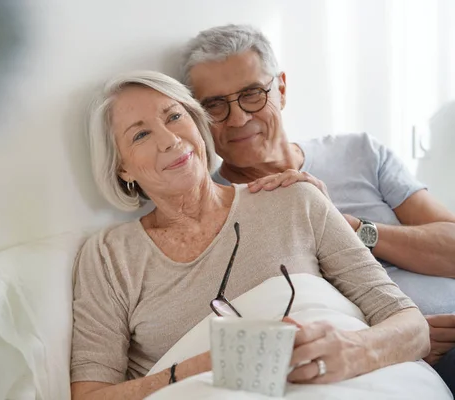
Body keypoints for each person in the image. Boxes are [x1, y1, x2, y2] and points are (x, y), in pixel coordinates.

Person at [70, 70, 432, 400]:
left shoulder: (294, 199)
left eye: (174, 116)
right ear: (123, 167)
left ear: (197, 125)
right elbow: (90, 396)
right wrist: (199, 368)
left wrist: (356, 350)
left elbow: (412, 327)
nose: (169, 139)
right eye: (141, 134)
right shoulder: (107, 256)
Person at [181, 23, 455, 392]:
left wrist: (349, 228)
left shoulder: (360, 151)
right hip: (401, 360)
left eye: (252, 94)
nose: (238, 118)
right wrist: (403, 337)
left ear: (280, 88)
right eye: (214, 105)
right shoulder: (216, 208)